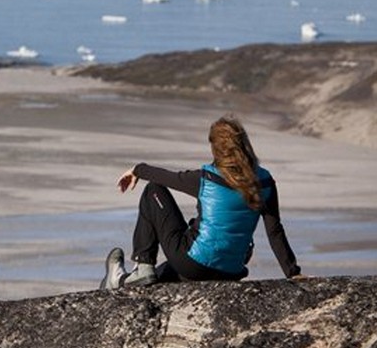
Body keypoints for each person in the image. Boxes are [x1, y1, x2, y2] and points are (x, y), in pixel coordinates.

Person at [101, 115, 302, 289]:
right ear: (245, 146)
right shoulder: (265, 182)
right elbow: (274, 231)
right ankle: (121, 280)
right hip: (231, 270)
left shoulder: (207, 178)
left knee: (153, 190)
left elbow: (164, 177)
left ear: (216, 148)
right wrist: (292, 272)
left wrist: (138, 169)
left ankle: (142, 266)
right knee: (163, 275)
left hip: (194, 263)